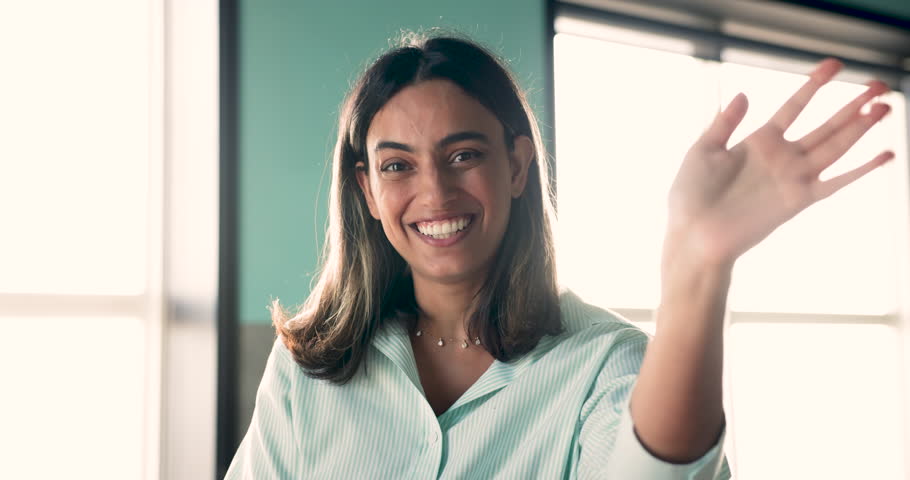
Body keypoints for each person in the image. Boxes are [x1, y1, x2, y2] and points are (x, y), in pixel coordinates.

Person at [224, 31, 893, 479]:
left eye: (464, 155)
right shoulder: (306, 368)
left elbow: (656, 473)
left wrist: (699, 264)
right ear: (367, 191)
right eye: (398, 166)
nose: (435, 191)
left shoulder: (604, 363)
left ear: (517, 166)